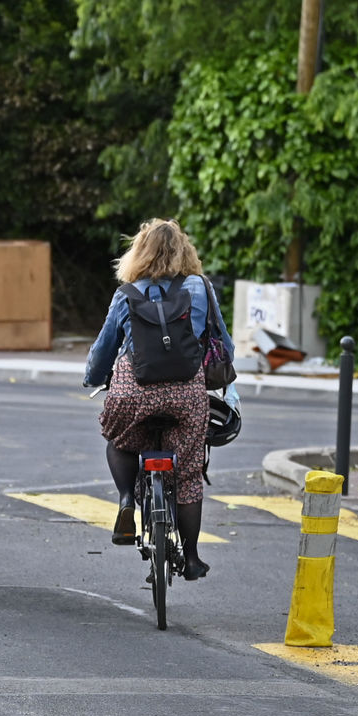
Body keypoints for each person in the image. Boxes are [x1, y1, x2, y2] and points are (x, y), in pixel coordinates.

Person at [83, 218, 241, 581]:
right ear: (185, 252)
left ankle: (126, 499)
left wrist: (93, 377)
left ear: (138, 253)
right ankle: (193, 558)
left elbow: (104, 350)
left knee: (119, 440)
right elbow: (224, 345)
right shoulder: (200, 287)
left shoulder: (126, 294)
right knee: (187, 475)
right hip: (187, 391)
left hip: (133, 390)